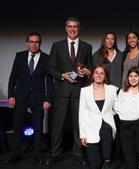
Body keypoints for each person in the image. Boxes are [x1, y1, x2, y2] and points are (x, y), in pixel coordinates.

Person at [46, 17, 93, 165]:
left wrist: (87, 71)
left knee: (79, 125)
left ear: (79, 29)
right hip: (61, 92)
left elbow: (91, 70)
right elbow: (50, 68)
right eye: (70, 26)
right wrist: (62, 75)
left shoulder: (87, 47)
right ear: (66, 29)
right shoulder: (57, 46)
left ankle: (78, 153)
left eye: (75, 27)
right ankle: (55, 153)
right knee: (57, 125)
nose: (72, 29)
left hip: (79, 91)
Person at [6, 32, 52, 165]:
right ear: (27, 43)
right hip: (20, 96)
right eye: (31, 41)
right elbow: (13, 77)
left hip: (38, 98)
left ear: (40, 43)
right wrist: (10, 95)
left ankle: (37, 155)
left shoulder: (46, 58)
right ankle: (16, 153)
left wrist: (48, 99)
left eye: (36, 42)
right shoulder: (19, 56)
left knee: (38, 127)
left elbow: (48, 81)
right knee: (17, 125)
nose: (34, 44)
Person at [79, 64, 117, 169]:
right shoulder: (85, 91)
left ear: (105, 76)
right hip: (90, 128)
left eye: (102, 73)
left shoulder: (112, 90)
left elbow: (118, 108)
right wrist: (83, 134)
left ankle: (107, 160)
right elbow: (81, 113)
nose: (99, 75)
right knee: (94, 164)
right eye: (96, 72)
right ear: (92, 75)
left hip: (107, 124)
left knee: (106, 129)